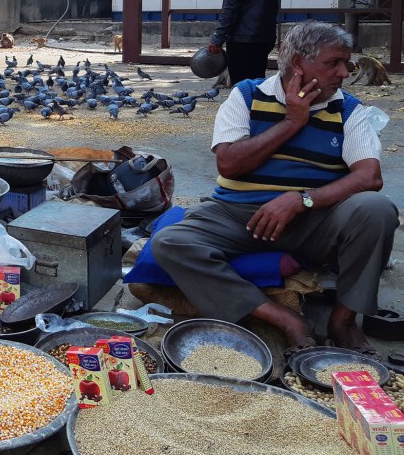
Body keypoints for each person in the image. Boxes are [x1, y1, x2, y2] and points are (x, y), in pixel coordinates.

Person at [153, 21, 398, 356]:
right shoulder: (246, 95)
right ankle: (283, 319)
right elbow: (229, 164)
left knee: (376, 209)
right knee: (170, 242)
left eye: (347, 63)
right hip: (238, 216)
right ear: (298, 63)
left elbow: (369, 177)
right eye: (333, 63)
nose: (344, 72)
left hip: (316, 221)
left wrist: (302, 200)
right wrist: (291, 123)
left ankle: (343, 320)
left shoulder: (349, 110)